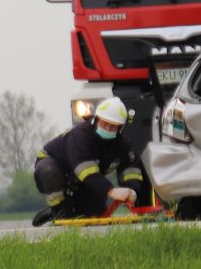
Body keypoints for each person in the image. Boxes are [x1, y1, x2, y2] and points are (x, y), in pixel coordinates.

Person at [31, 97, 148, 226]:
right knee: (48, 171)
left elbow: (131, 169)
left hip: (86, 179)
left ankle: (63, 210)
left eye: (113, 126)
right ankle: (59, 211)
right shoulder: (80, 136)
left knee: (94, 217)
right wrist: (111, 191)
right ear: (96, 120)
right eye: (104, 123)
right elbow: (85, 171)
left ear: (120, 128)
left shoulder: (122, 144)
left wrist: (132, 190)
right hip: (55, 167)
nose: (107, 129)